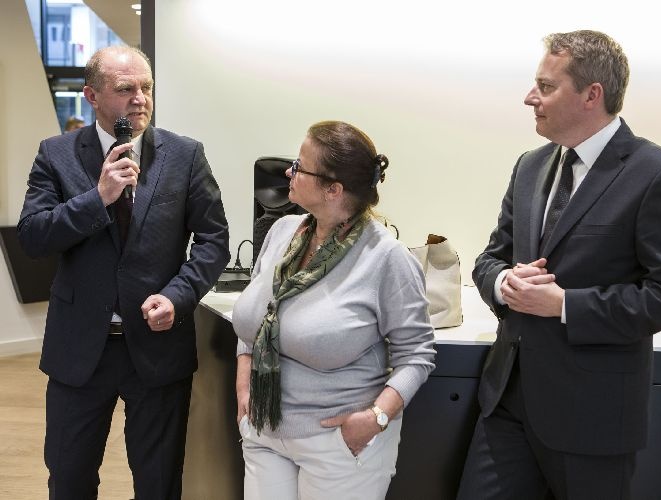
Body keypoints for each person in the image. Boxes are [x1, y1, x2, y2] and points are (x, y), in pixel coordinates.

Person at [457, 30, 661, 500]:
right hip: (506, 402)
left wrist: (564, 304)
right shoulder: (529, 166)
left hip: (593, 417)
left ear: (592, 95)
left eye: (546, 87)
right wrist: (504, 282)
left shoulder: (658, 174)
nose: (530, 97)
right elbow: (491, 258)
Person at [17, 46, 230, 499]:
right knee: (69, 481)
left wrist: (178, 296)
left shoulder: (185, 155)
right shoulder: (56, 154)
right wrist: (97, 198)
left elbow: (214, 242)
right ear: (92, 96)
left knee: (159, 483)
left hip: (157, 347)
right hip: (79, 350)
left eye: (146, 87)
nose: (140, 99)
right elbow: (33, 237)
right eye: (125, 88)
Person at [233, 120, 436, 500]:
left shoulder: (387, 258)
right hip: (264, 433)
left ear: (333, 189)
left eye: (299, 166)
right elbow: (255, 321)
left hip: (338, 445)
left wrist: (375, 418)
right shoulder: (282, 232)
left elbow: (417, 356)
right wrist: (244, 385)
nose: (289, 172)